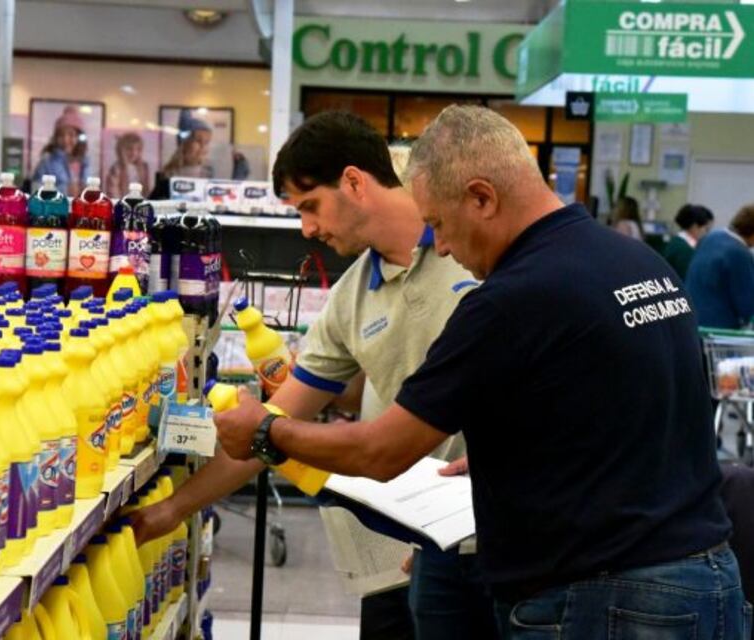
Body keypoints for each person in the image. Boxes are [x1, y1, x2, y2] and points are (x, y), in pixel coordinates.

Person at [214, 105, 745, 639]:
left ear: (482, 197)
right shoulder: (638, 264)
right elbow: (630, 414)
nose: (440, 245)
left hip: (605, 598)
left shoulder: (509, 299)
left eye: (440, 224)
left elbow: (379, 452)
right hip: (708, 579)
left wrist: (265, 429)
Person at [130, 111, 497, 638]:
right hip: (398, 553)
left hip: (491, 541)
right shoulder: (351, 299)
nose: (307, 230)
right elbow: (275, 427)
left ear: (354, 181)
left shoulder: (470, 248)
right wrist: (171, 510)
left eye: (310, 207)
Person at [685, 205, 754, 330]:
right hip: (719, 329)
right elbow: (747, 304)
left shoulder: (710, 238)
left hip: (690, 321)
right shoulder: (739, 253)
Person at [32, 104, 90, 197]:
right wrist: (64, 190)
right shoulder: (47, 162)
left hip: (81, 209)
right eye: (61, 135)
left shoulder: (85, 162)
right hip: (56, 209)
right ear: (55, 138)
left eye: (71, 135)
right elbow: (36, 190)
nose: (66, 140)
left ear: (79, 137)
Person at [663, 204, 715, 280]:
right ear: (695, 227)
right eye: (706, 229)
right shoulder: (684, 250)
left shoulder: (678, 242)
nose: (707, 233)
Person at [161, 109, 214, 179]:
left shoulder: (208, 173)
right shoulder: (169, 174)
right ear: (184, 145)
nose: (203, 146)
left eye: (206, 142)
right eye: (198, 141)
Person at [105, 131, 151, 199]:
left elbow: (146, 189)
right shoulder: (116, 168)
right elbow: (112, 191)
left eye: (138, 149)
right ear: (121, 150)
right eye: (129, 149)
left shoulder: (144, 167)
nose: (134, 153)